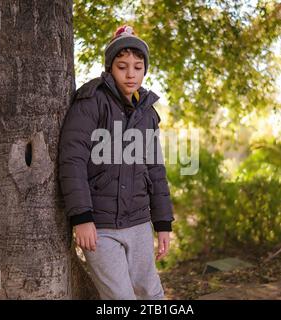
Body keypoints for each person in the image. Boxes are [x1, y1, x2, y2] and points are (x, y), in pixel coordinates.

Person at [59, 25, 174, 300]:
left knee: (151, 293)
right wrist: (82, 217)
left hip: (138, 222)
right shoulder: (91, 101)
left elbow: (155, 170)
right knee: (121, 299)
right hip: (100, 227)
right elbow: (72, 158)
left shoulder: (147, 113)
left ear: (145, 69)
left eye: (137, 66)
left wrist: (163, 223)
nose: (131, 73)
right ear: (110, 68)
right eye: (122, 66)